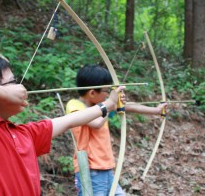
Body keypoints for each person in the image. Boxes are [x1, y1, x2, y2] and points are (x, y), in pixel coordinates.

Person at [0, 54, 125, 196]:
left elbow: (69, 120)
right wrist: (5, 93)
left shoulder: (25, 133)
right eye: (13, 83)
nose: (21, 88)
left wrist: (108, 105)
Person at [65, 64, 168, 196]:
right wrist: (110, 104)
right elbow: (96, 123)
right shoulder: (75, 106)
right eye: (106, 91)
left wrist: (155, 110)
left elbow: (129, 107)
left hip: (106, 169)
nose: (108, 95)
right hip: (91, 170)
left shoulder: (100, 106)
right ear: (92, 93)